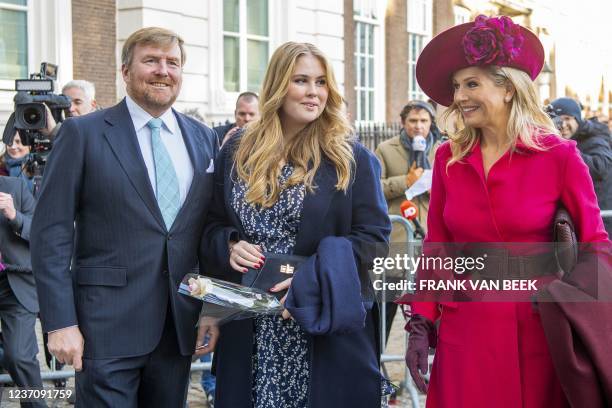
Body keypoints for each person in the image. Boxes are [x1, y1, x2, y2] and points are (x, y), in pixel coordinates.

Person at [402, 15, 609, 407]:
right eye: (456, 86)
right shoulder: (449, 158)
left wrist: (569, 304)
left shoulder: (559, 156)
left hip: (539, 335)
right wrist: (421, 319)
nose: (459, 97)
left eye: (472, 84)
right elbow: (438, 245)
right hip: (465, 334)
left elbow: (596, 244)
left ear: (509, 88)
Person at [31, 27, 219, 407]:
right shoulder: (82, 134)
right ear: (125, 71)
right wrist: (60, 322)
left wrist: (212, 311)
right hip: (104, 329)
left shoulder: (203, 138)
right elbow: (50, 233)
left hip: (177, 327)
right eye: (151, 60)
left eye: (173, 63)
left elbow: (206, 230)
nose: (163, 71)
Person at [201, 42, 392, 407]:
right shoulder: (238, 149)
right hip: (249, 324)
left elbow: (375, 239)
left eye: (321, 82)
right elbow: (212, 223)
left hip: (320, 320)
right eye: (301, 80)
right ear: (277, 86)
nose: (314, 92)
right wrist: (228, 244)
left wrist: (314, 274)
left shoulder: (351, 157)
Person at [374, 101, 443, 341]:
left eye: (424, 121)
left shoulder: (442, 150)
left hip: (429, 239)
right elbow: (374, 188)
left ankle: (430, 363)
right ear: (403, 123)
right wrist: (406, 181)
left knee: (430, 308)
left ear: (431, 123)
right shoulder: (385, 149)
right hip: (397, 241)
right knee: (385, 306)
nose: (418, 126)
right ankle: (378, 357)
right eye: (413, 121)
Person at [0, 176, 45, 408]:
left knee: (18, 356)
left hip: (15, 283)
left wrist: (14, 216)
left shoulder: (15, 187)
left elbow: (42, 232)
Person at [550, 97, 612, 234]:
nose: (563, 124)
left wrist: (567, 153)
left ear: (577, 119)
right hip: (580, 215)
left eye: (567, 118)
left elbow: (600, 166)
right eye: (558, 120)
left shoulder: (594, 137)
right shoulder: (563, 140)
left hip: (600, 219)